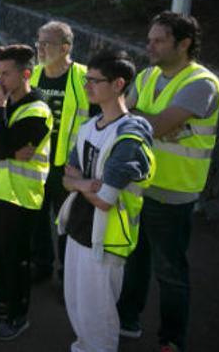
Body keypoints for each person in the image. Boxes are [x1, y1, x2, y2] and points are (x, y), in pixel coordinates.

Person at [117, 12, 219, 352]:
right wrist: (147, 121)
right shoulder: (149, 75)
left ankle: (171, 340)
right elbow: (120, 117)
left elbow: (151, 124)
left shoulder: (201, 83)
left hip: (173, 193)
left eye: (159, 40)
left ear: (184, 44)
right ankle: (128, 320)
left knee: (170, 271)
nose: (149, 45)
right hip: (140, 186)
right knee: (134, 258)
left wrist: (140, 119)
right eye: (149, 39)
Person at [58, 50, 154, 352]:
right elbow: (66, 178)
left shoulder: (130, 135)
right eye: (87, 80)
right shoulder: (90, 126)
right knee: (77, 303)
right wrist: (83, 183)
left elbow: (104, 200)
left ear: (118, 84)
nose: (87, 86)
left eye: (94, 81)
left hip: (106, 238)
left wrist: (79, 183)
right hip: (78, 228)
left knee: (98, 314)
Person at [0, 44, 52, 341]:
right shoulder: (0, 102)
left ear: (25, 74)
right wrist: (6, 149)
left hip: (20, 196)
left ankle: (18, 315)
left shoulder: (38, 109)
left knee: (15, 258)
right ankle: (2, 302)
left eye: (5, 74)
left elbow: (0, 144)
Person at [30, 21, 95, 283]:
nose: (41, 48)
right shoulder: (33, 74)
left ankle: (67, 276)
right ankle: (42, 265)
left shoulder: (84, 77)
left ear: (65, 47)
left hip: (69, 167)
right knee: (36, 219)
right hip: (36, 164)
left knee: (67, 224)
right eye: (39, 41)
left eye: (47, 43)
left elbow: (97, 119)